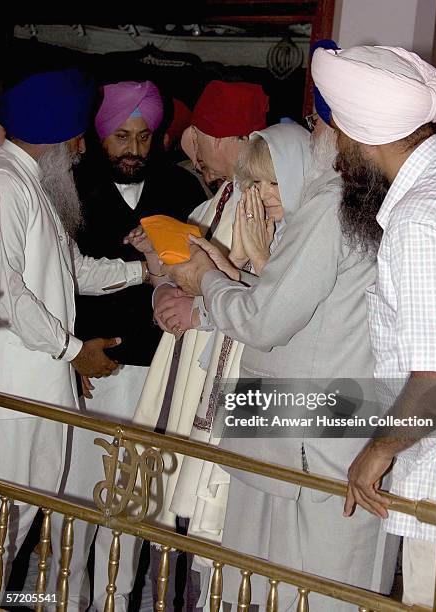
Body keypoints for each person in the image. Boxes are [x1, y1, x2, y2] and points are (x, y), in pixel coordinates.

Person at [161, 112, 398, 610]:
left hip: (311, 435)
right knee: (262, 583)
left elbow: (268, 324)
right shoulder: (338, 200)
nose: (311, 133)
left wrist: (206, 276)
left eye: (317, 122)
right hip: (280, 430)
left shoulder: (329, 200)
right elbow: (300, 316)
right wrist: (231, 274)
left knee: (307, 589)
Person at [311, 44, 436, 607]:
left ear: (360, 134)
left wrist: (378, 450)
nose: (337, 154)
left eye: (340, 138)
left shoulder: (421, 216)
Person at [45, 80, 205, 612]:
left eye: (142, 137)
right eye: (121, 137)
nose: (133, 149)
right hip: (93, 370)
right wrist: (68, 354)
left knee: (138, 503)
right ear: (99, 136)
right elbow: (54, 280)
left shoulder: (183, 192)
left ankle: (118, 601)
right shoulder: (68, 187)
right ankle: (61, 601)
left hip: (158, 372)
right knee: (77, 497)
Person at [0, 69, 151, 588]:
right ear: (58, 134)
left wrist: (146, 271)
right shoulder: (5, 186)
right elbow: (7, 297)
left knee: (17, 523)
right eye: (77, 134)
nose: (83, 146)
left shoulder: (33, 184)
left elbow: (75, 271)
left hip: (38, 391)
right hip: (14, 395)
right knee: (5, 526)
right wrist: (72, 351)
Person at [129, 79, 268, 609]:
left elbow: (261, 307)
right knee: (179, 531)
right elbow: (181, 274)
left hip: (227, 395)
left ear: (225, 138)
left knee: (216, 545)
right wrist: (162, 281)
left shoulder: (264, 211)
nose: (198, 159)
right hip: (189, 379)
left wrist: (193, 304)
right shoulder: (218, 203)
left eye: (202, 142)